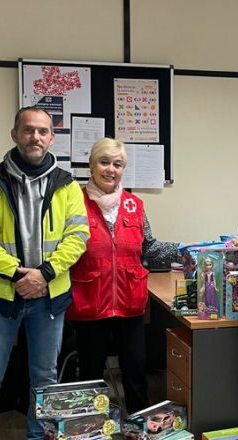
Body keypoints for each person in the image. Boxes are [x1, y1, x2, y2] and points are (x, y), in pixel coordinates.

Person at [0, 106, 89, 439]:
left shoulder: (67, 185)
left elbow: (78, 237)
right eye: (28, 130)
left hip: (48, 298)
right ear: (15, 134)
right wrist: (18, 274)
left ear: (51, 137)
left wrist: (44, 274)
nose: (35, 137)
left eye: (43, 131)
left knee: (45, 378)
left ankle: (39, 436)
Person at [67, 137, 179, 414]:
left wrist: (184, 250)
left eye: (117, 165)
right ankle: (91, 427)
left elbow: (149, 248)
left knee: (136, 372)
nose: (110, 170)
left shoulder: (134, 205)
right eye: (104, 162)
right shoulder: (73, 202)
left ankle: (137, 426)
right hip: (90, 303)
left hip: (130, 304)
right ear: (92, 165)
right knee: (91, 376)